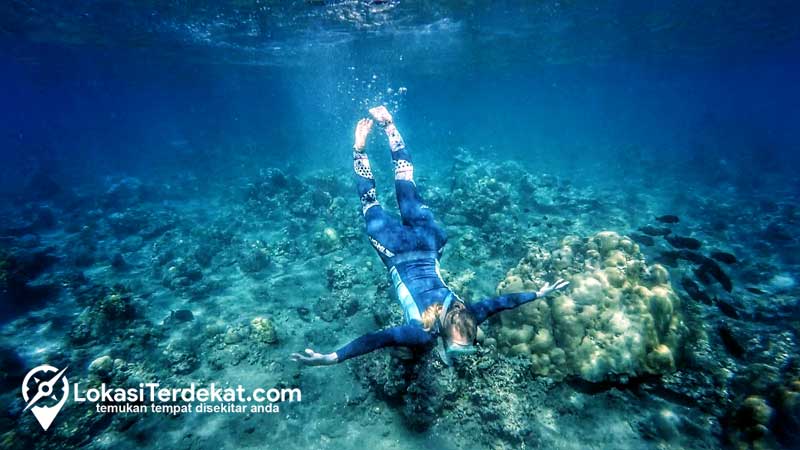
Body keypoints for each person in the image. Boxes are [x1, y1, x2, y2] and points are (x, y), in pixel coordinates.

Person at [291, 106, 568, 366]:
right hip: (396, 251)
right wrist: (333, 357)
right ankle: (360, 148)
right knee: (369, 201)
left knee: (405, 180)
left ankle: (388, 126)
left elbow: (500, 303)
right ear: (442, 336)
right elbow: (377, 340)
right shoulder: (422, 334)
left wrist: (538, 293)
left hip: (429, 242)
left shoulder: (472, 314)